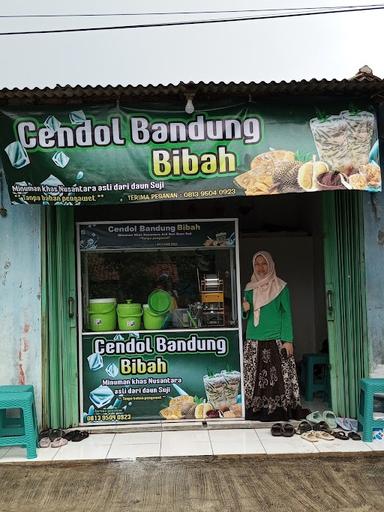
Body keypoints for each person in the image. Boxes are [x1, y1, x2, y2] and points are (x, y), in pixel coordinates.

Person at [242, 251, 308, 421]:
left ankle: (279, 412)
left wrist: (288, 341)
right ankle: (256, 411)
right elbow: (245, 315)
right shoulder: (249, 288)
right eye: (257, 264)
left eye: (264, 263)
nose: (261, 267)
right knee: (254, 378)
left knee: (279, 378)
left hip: (276, 339)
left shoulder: (281, 287)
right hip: (254, 339)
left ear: (270, 265)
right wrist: (245, 310)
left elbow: (286, 314)